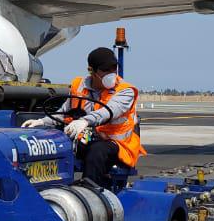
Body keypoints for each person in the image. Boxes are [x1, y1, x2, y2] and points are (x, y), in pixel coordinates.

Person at [23, 46, 145, 186]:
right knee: (56, 144)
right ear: (92, 71)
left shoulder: (126, 91)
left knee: (97, 151)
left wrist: (84, 122)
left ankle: (88, 191)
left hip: (118, 146)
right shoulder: (79, 86)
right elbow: (65, 112)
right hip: (88, 140)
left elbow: (109, 111)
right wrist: (41, 122)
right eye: (105, 70)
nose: (111, 73)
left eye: (113, 68)